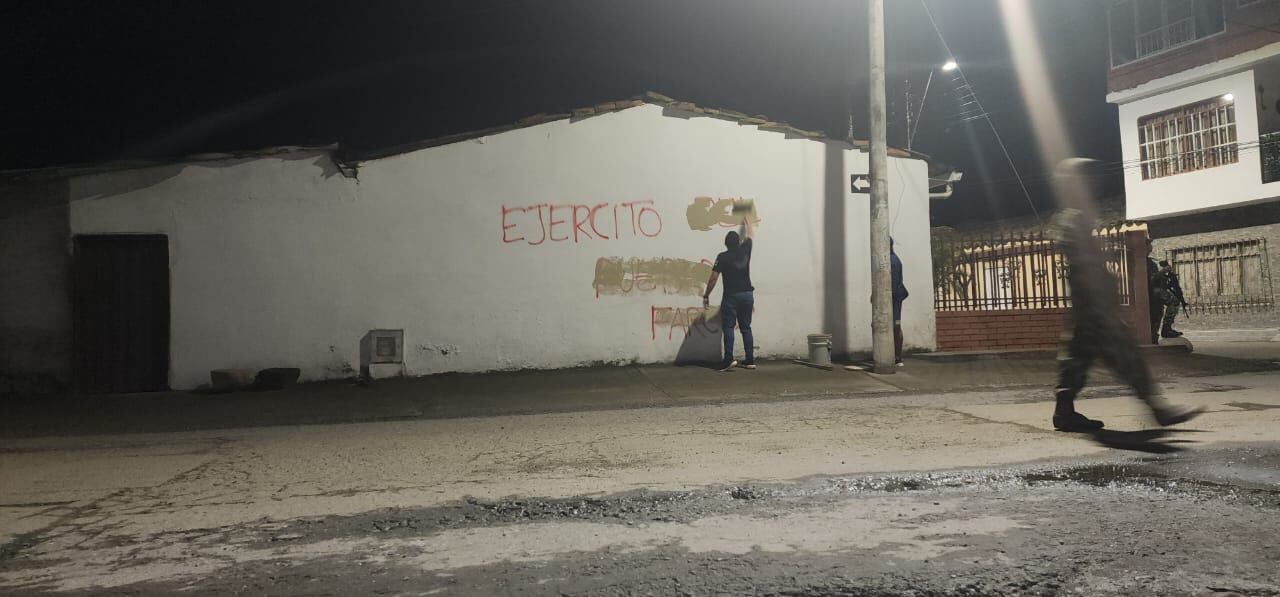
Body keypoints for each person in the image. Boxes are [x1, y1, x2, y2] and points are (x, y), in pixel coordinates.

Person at [1049, 158, 1203, 432]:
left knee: (1075, 360)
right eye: (1088, 179)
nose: (1094, 184)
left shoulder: (1076, 217)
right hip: (1093, 306)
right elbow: (1080, 260)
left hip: (1088, 307)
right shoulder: (1073, 219)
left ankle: (1064, 412)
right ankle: (1158, 410)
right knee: (1126, 356)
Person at [703, 209, 755, 372]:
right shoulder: (746, 249)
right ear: (738, 242)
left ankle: (728, 359)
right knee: (746, 327)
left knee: (729, 327)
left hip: (732, 297)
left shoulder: (723, 257)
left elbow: (713, 278)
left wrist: (706, 295)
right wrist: (747, 219)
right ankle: (749, 360)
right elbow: (750, 234)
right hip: (747, 295)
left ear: (726, 244)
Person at [1146, 240, 1182, 342]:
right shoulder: (1142, 262)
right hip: (1149, 292)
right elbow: (1149, 281)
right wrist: (1162, 271)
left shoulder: (1151, 262)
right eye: (1148, 245)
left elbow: (1157, 280)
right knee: (1174, 300)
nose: (1150, 247)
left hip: (1155, 293)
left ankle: (1160, 333)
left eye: (1150, 245)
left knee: (1158, 314)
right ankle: (1166, 329)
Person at [890, 238, 909, 366]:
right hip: (893, 298)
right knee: (894, 326)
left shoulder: (893, 261)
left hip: (894, 299)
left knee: (896, 326)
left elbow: (894, 283)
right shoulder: (892, 259)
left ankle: (898, 357)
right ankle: (896, 356)